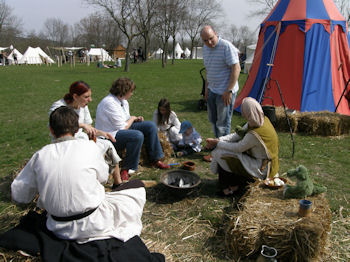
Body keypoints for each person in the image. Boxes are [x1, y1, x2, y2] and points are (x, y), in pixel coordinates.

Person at [11, 106, 147, 245]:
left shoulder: (40, 155)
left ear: (51, 130)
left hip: (56, 227)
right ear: (77, 130)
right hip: (93, 224)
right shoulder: (90, 147)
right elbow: (102, 178)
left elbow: (20, 194)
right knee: (137, 186)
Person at [49, 81, 124, 187]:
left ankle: (118, 183)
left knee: (108, 144)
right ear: (75, 96)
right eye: (86, 97)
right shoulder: (59, 106)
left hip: (81, 140)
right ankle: (94, 183)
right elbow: (57, 125)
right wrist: (81, 125)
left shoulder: (83, 106)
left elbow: (89, 128)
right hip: (64, 143)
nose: (90, 100)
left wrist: (103, 133)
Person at [95, 77, 170, 181]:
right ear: (124, 91)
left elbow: (126, 120)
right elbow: (123, 127)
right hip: (109, 135)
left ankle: (155, 159)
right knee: (136, 136)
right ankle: (127, 168)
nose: (132, 94)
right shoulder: (109, 102)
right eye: (131, 91)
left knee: (150, 126)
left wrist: (135, 119)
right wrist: (132, 119)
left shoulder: (123, 101)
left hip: (119, 129)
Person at [205, 97, 279, 196]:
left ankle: (228, 188)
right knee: (220, 150)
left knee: (221, 154)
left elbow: (238, 147)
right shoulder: (260, 119)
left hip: (261, 167)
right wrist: (218, 140)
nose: (242, 114)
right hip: (256, 159)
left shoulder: (255, 134)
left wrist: (217, 144)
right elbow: (236, 136)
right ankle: (230, 183)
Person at [200, 25, 241, 144]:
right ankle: (217, 143)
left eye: (211, 38)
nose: (209, 42)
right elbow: (208, 69)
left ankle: (223, 148)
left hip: (225, 91)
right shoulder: (205, 48)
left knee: (222, 123)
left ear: (216, 33)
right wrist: (207, 88)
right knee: (213, 119)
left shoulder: (226, 46)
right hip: (212, 89)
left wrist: (229, 90)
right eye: (205, 40)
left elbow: (236, 68)